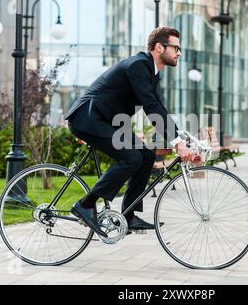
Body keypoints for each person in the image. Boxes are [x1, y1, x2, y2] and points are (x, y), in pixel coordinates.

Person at [65, 27, 198, 237]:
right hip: (89, 118)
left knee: (145, 155)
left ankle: (128, 216)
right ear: (159, 47)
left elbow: (157, 107)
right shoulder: (138, 65)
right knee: (132, 158)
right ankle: (85, 204)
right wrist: (177, 144)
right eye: (176, 47)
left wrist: (179, 137)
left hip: (108, 120)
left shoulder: (150, 71)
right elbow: (151, 107)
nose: (179, 53)